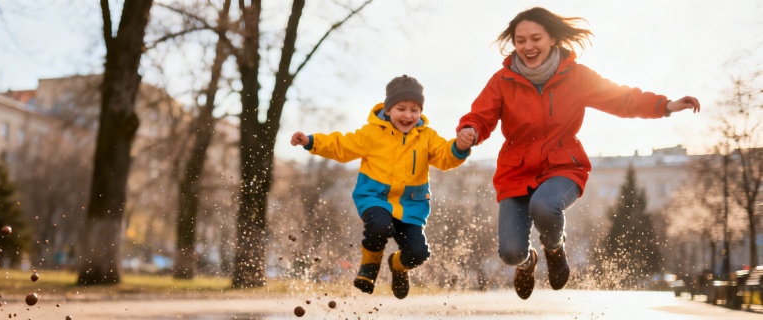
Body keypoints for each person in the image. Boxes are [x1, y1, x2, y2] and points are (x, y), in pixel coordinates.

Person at [456, 7, 700, 300]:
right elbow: (480, 116)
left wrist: (665, 105)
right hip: (516, 172)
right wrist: (470, 130)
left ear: (553, 39)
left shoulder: (575, 76)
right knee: (510, 252)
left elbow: (620, 98)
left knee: (545, 206)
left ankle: (554, 249)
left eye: (535, 38)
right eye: (520, 40)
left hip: (563, 166)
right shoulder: (502, 81)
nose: (528, 47)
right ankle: (527, 262)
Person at [291, 75, 477, 299]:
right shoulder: (371, 134)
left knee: (418, 253)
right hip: (375, 198)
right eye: (401, 108)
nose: (408, 115)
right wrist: (311, 141)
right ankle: (369, 267)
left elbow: (445, 158)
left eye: (414, 110)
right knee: (379, 226)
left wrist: (459, 147)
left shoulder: (427, 137)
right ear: (388, 109)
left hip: (411, 205)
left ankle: (398, 266)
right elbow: (342, 146)